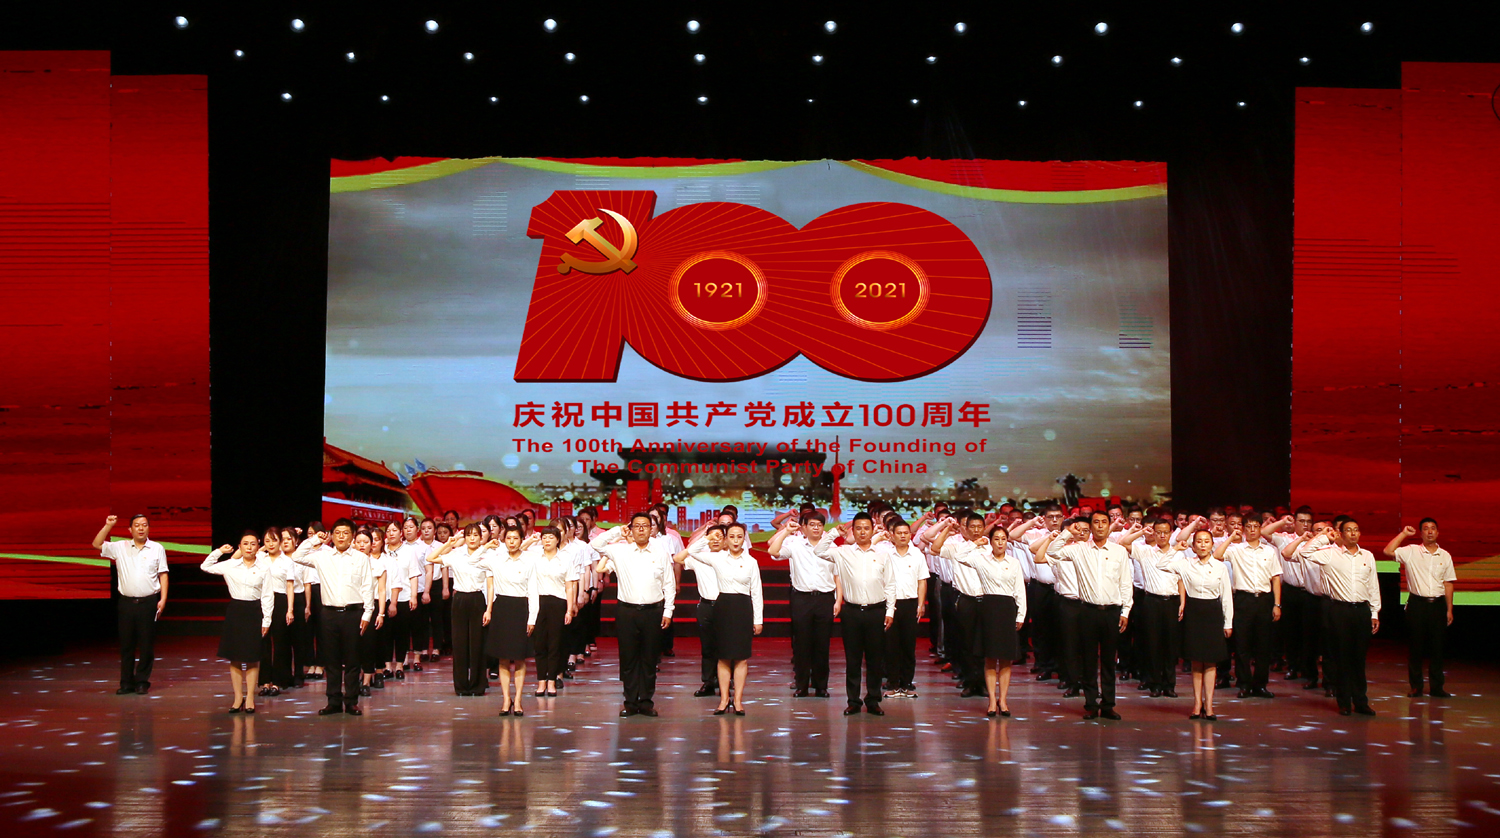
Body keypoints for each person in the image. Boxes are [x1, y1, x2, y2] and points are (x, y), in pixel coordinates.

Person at [1037, 511, 1133, 721]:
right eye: (1096, 522)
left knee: (1108, 661)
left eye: (1104, 522)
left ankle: (1108, 705)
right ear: (1091, 527)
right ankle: (1091, 704)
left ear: (1109, 525)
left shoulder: (1119, 551)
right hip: (1087, 611)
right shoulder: (1079, 549)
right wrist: (1067, 533)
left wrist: (1125, 611)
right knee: (1088, 660)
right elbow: (1052, 552)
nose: (1100, 526)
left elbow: (1126, 583)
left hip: (1112, 611)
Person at [1287, 518, 1381, 715]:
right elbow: (1305, 552)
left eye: (1356, 529)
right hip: (1339, 610)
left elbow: (1373, 585)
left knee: (1359, 659)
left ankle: (1361, 701)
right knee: (1342, 657)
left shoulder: (1368, 556)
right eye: (1349, 530)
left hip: (1361, 610)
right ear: (1341, 534)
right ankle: (1344, 701)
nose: (1353, 533)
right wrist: (1324, 537)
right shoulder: (1329, 554)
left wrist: (1374, 612)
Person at [591, 513, 675, 717]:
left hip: (653, 611)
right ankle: (630, 702)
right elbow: (595, 544)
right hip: (627, 612)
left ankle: (646, 702)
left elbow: (669, 584)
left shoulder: (661, 553)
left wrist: (668, 611)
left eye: (645, 525)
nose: (641, 529)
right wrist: (617, 531)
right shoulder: (620, 551)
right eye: (636, 526)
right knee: (628, 658)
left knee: (649, 659)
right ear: (631, 529)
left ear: (652, 529)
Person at [675, 522, 764, 715]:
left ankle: (738, 701)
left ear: (744, 539)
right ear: (726, 540)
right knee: (723, 656)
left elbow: (757, 592)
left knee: (741, 657)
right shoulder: (717, 558)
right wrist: (706, 538)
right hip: (723, 607)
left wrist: (758, 619)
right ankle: (724, 700)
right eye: (731, 536)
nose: (735, 541)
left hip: (743, 608)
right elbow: (693, 552)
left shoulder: (751, 562)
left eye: (739, 537)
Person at [291, 519, 376, 716]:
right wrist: (315, 540)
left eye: (345, 533)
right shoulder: (323, 556)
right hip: (328, 614)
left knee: (353, 660)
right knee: (331, 660)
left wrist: (368, 613)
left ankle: (351, 701)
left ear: (352, 536)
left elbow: (367, 587)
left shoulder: (361, 558)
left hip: (353, 613)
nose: (341, 537)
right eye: (337, 533)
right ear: (332, 535)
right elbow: (297, 556)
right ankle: (333, 701)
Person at [946, 526, 1028, 717]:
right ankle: (992, 700)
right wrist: (975, 543)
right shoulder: (981, 560)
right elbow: (959, 556)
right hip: (988, 609)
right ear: (990, 541)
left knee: (1006, 658)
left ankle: (1003, 700)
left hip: (1007, 609)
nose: (1000, 543)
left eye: (1003, 539)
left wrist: (1021, 615)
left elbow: (1019, 590)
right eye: (996, 539)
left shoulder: (1014, 563)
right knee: (990, 657)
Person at [92, 514, 169, 695]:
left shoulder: (157, 548)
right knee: (126, 645)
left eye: (144, 525)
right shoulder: (120, 546)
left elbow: (163, 574)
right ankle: (126, 683)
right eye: (137, 525)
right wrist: (108, 526)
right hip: (126, 603)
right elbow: (96, 544)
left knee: (146, 645)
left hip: (148, 602)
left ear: (148, 528)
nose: (141, 528)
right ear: (130, 529)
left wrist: (163, 599)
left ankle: (142, 681)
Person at [766, 511, 839, 698]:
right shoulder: (795, 544)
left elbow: (838, 575)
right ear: (804, 527)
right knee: (802, 644)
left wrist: (838, 600)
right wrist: (785, 531)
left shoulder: (832, 547)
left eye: (819, 525)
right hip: (802, 599)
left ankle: (821, 686)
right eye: (812, 525)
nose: (816, 528)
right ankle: (802, 685)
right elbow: (773, 551)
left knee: (822, 644)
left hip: (825, 598)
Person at [1161, 530, 1233, 719]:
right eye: (1199, 541)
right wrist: (1176, 549)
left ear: (1212, 545)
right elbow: (1161, 565)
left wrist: (1228, 622)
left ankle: (1209, 706)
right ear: (1193, 546)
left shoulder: (1220, 567)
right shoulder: (1186, 564)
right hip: (1193, 613)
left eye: (1206, 541)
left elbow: (1226, 596)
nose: (1202, 545)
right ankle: (1196, 704)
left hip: (1213, 613)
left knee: (1210, 661)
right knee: (1196, 661)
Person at [202, 532, 275, 714]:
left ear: (258, 547)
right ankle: (237, 698)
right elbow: (205, 566)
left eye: (253, 544)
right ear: (240, 547)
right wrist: (220, 551)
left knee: (252, 656)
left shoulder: (264, 568)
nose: (249, 547)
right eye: (245, 544)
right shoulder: (230, 565)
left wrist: (267, 620)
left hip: (255, 611)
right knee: (234, 656)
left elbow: (267, 595)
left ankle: (250, 698)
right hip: (236, 611)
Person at [830, 513, 896, 716]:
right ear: (853, 530)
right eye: (858, 528)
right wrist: (833, 533)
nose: (862, 532)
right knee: (853, 659)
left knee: (875, 659)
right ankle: (853, 701)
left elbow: (890, 585)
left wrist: (890, 611)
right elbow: (819, 550)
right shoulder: (843, 552)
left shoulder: (883, 554)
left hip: (876, 611)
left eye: (866, 528)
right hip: (852, 611)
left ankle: (873, 700)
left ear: (872, 530)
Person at [1385, 518, 1457, 698]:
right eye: (1426, 528)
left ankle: (1437, 687)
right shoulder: (1411, 551)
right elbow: (1388, 551)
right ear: (1421, 533)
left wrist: (1449, 609)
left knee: (1437, 648)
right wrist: (1404, 534)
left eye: (1433, 528)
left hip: (1438, 605)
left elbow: (1448, 583)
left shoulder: (1445, 555)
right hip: (1417, 604)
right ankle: (1416, 686)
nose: (1430, 531)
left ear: (1438, 532)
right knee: (1415, 647)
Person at [1216, 513, 1282, 698]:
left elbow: (1276, 578)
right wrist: (1231, 537)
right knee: (1242, 645)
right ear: (1244, 529)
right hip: (1243, 600)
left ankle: (1260, 685)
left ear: (1260, 528)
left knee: (1263, 645)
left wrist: (1277, 604)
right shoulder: (1236, 549)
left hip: (1264, 599)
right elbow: (1217, 555)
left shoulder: (1269, 551)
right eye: (1249, 526)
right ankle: (1244, 684)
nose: (1252, 530)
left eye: (1256, 526)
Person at [427, 523, 497, 696]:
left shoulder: (487, 556)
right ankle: (461, 686)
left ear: (481, 537)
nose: (472, 538)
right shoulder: (456, 554)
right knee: (459, 644)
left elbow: (490, 586)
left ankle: (477, 685)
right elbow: (431, 558)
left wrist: (489, 609)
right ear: (464, 537)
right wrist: (449, 543)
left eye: (476, 535)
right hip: (459, 600)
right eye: (469, 535)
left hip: (477, 599)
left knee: (477, 644)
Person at [1119, 518, 1182, 698]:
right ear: (1154, 533)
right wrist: (1141, 532)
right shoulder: (1145, 551)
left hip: (1172, 601)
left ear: (1171, 533)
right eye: (1158, 532)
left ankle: (1169, 684)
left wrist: (1183, 603)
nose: (1162, 536)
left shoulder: (1178, 553)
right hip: (1151, 601)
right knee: (1152, 643)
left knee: (1170, 645)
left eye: (1165, 532)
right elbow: (1123, 542)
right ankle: (1154, 683)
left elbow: (1181, 580)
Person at [485, 526, 538, 716]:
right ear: (504, 540)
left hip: (521, 608)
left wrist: (532, 617)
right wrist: (486, 547)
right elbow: (474, 560)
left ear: (521, 540)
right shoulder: (497, 560)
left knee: (520, 658)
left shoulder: (529, 561)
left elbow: (533, 590)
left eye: (516, 538)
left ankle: (519, 700)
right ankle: (506, 699)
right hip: (502, 608)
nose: (512, 542)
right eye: (508, 538)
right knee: (503, 658)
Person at [523, 525, 578, 697]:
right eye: (544, 537)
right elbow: (518, 550)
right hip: (538, 602)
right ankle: (541, 681)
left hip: (558, 603)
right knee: (539, 644)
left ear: (558, 540)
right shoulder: (534, 557)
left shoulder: (565, 559)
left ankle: (552, 681)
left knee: (555, 644)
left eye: (551, 537)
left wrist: (569, 609)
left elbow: (570, 586)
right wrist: (530, 540)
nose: (547, 540)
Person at [881, 520, 928, 698]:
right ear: (892, 535)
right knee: (890, 646)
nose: (903, 536)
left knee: (909, 645)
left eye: (906, 533)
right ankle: (892, 682)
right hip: (890, 605)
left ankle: (907, 682)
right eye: (899, 533)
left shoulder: (917, 555)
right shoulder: (885, 554)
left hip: (910, 603)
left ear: (910, 535)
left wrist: (921, 604)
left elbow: (922, 581)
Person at [681, 523, 727, 697]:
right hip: (706, 606)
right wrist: (704, 539)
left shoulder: (731, 557)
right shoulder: (699, 557)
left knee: (726, 646)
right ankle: (708, 682)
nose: (715, 540)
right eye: (711, 537)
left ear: (725, 540)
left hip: (727, 606)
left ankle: (725, 681)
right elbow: (679, 558)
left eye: (719, 536)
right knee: (707, 647)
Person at [259, 526, 296, 696]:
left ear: (280, 541)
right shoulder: (260, 559)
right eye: (267, 541)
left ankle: (279, 681)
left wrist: (290, 609)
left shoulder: (287, 561)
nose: (271, 544)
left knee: (281, 642)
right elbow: (237, 557)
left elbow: (289, 586)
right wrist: (261, 548)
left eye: (274, 540)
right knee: (264, 642)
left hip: (280, 601)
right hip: (263, 601)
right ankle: (265, 681)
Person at [353, 529, 387, 696]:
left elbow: (381, 590)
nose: (362, 545)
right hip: (352, 606)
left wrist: (381, 613)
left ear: (371, 545)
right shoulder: (349, 563)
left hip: (371, 607)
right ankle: (355, 678)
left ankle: (366, 680)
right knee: (354, 646)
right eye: (358, 542)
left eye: (365, 542)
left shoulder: (378, 564)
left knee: (368, 645)